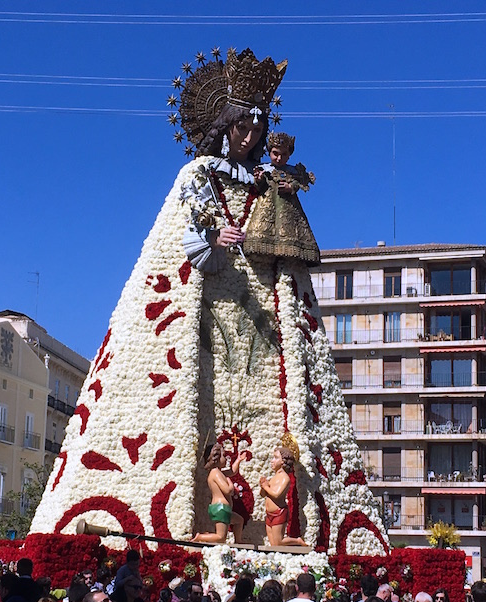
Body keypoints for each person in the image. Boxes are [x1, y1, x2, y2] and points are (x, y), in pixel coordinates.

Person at [27, 47, 390, 554]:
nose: (250, 139)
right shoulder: (196, 175)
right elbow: (181, 237)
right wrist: (209, 242)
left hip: (262, 313)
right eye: (243, 128)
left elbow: (283, 231)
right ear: (224, 123)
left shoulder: (265, 181)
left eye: (257, 132)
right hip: (202, 305)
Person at [245, 131, 319, 265]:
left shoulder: (293, 171)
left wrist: (291, 187)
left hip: (288, 206)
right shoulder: (263, 168)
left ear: (289, 155)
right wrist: (259, 180)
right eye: (275, 154)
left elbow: (299, 183)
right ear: (269, 152)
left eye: (283, 154)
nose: (279, 158)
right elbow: (258, 187)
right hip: (267, 205)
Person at [192, 444, 247, 544]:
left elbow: (233, 471)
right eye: (224, 456)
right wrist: (230, 483)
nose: (226, 458)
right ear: (216, 458)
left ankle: (238, 541)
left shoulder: (219, 472)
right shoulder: (215, 473)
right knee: (221, 537)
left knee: (239, 520)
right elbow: (228, 490)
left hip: (224, 508)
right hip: (220, 508)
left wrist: (238, 460)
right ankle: (200, 536)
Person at [258, 447, 307, 546]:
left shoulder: (285, 478)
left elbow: (277, 494)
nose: (272, 461)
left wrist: (266, 487)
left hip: (278, 513)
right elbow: (263, 494)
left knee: (279, 542)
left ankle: (297, 541)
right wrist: (263, 486)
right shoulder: (273, 478)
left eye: (276, 458)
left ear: (283, 462)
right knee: (273, 545)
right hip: (269, 513)